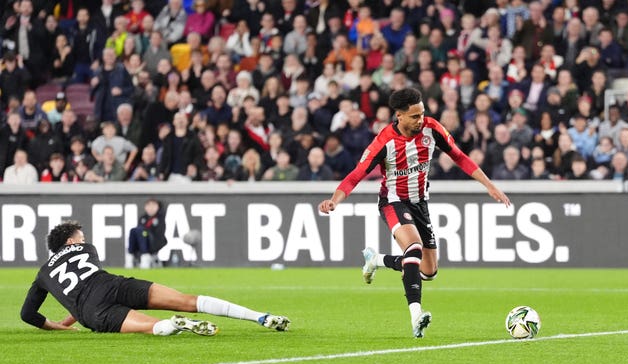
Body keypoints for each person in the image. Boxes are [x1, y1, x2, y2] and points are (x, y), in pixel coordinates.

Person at [318, 88, 510, 338]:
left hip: (421, 203)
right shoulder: (384, 142)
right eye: (414, 116)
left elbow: (460, 157)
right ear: (399, 115)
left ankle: (377, 260)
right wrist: (334, 200)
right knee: (414, 249)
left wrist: (490, 186)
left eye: (422, 114)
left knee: (428, 271)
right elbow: (356, 175)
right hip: (393, 201)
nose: (421, 120)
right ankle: (416, 315)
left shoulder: (432, 129)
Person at [20, 221, 290, 335]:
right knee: (188, 299)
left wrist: (60, 326)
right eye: (80, 236)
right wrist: (70, 317)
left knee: (152, 326)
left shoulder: (43, 273)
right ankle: (259, 317)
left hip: (93, 310)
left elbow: (27, 314)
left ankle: (173, 325)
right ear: (70, 242)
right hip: (113, 284)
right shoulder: (86, 250)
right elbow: (87, 281)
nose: (85, 240)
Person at [126, 198, 167, 269]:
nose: (151, 208)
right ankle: (130, 256)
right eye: (149, 205)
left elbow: (159, 234)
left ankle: (145, 256)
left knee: (143, 232)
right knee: (133, 230)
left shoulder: (160, 218)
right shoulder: (143, 218)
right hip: (141, 242)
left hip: (154, 243)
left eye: (153, 206)